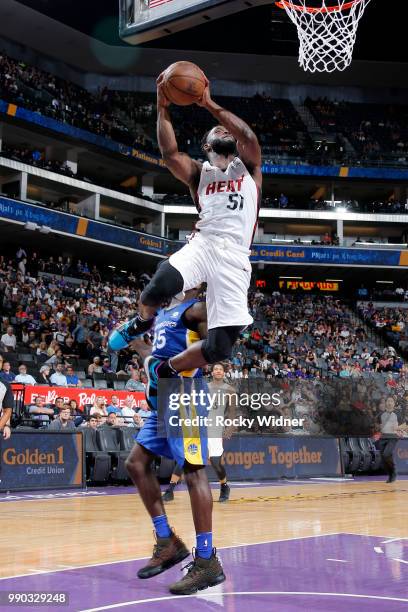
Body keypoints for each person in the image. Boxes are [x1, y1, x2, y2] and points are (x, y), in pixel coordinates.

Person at [109, 76, 262, 412]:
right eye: (216, 132)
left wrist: (208, 103)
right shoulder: (198, 173)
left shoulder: (248, 168)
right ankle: (141, 323)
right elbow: (169, 153)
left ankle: (163, 369)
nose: (224, 132)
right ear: (206, 146)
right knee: (156, 289)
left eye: (226, 132)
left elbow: (248, 136)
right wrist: (163, 106)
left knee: (220, 348)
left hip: (236, 257)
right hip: (204, 243)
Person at [125, 287, 225, 595]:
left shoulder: (196, 308)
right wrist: (135, 336)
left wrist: (178, 365)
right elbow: (154, 356)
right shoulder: (165, 314)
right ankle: (167, 542)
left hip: (186, 396)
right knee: (136, 464)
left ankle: (207, 561)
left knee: (194, 471)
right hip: (163, 399)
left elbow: (215, 347)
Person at [163, 362, 234, 503]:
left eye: (220, 369)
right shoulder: (204, 387)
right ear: (212, 372)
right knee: (186, 456)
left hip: (215, 427)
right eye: (216, 369)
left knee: (214, 461)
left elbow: (231, 412)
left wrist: (230, 427)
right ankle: (170, 489)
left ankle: (224, 486)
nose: (218, 371)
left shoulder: (229, 390)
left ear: (224, 373)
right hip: (199, 424)